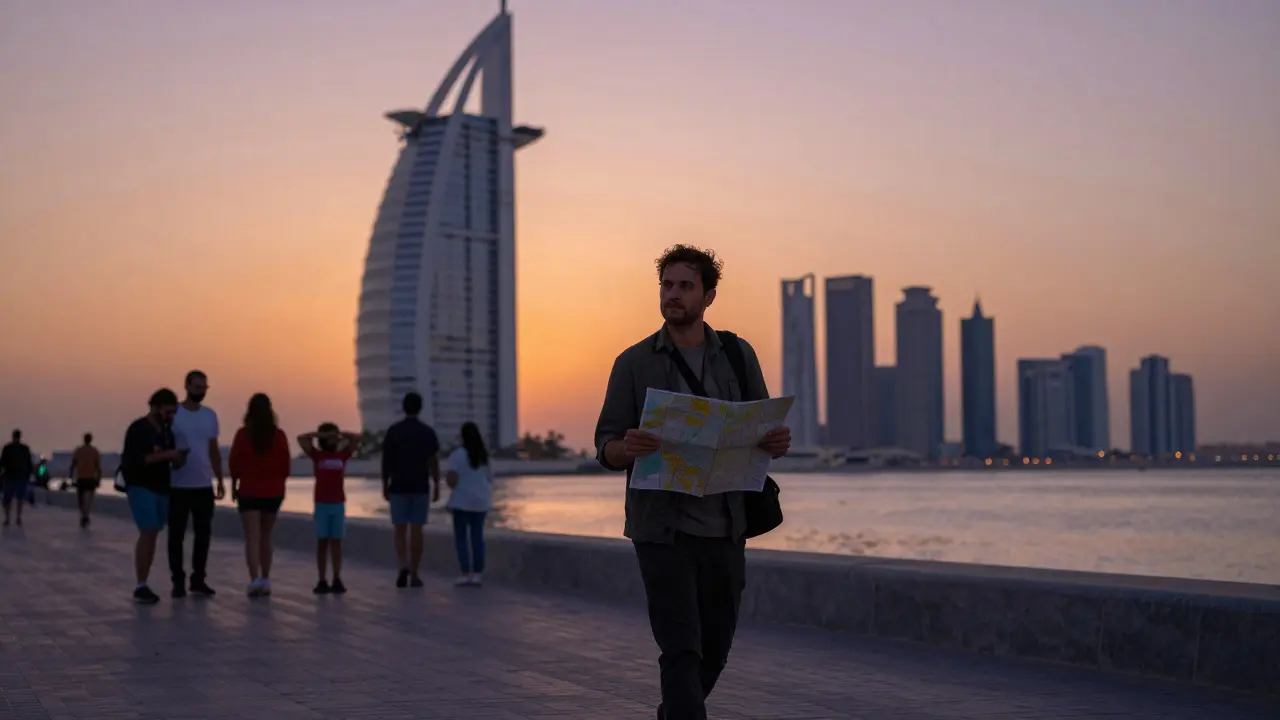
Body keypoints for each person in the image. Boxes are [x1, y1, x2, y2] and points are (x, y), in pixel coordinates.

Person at [593, 245, 791, 720]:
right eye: (667, 285)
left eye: (685, 286)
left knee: (716, 647)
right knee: (681, 647)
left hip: (725, 526)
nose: (673, 295)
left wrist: (775, 441)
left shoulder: (738, 357)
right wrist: (628, 447)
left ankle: (674, 714)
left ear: (709, 295)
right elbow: (605, 445)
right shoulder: (634, 363)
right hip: (662, 531)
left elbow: (759, 426)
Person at [120, 389, 188, 604]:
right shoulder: (139, 429)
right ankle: (141, 585)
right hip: (141, 486)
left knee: (154, 532)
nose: (171, 416)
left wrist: (178, 458)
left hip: (162, 488)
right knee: (148, 530)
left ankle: (144, 582)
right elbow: (137, 461)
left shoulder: (167, 431)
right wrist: (166, 455)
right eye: (169, 411)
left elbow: (171, 461)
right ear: (156, 407)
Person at [168, 370, 225, 599]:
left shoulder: (210, 415)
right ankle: (178, 581)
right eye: (197, 387)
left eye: (204, 387)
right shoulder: (175, 415)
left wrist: (220, 479)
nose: (201, 391)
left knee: (203, 535)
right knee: (177, 536)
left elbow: (213, 450)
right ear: (187, 387)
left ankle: (198, 579)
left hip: (203, 485)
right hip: (178, 486)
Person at [228, 393, 290, 598]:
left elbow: (234, 464)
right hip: (273, 492)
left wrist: (234, 485)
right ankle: (266, 578)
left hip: (249, 491)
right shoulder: (279, 435)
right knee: (266, 536)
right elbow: (285, 466)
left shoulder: (243, 435)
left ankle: (254, 579)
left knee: (252, 537)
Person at [380, 391, 441, 588]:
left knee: (399, 530)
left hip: (398, 486)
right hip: (420, 487)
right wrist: (437, 485)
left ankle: (402, 565)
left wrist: (384, 485)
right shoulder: (427, 432)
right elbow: (433, 461)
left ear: (403, 407)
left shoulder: (393, 431)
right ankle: (414, 573)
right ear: (420, 408)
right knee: (416, 531)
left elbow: (386, 462)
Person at [297, 423, 360, 594]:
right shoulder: (318, 456)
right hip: (322, 504)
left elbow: (356, 438)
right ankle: (322, 579)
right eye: (328, 437)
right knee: (322, 543)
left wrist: (338, 434)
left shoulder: (342, 455)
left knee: (336, 543)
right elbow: (301, 439)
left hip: (338, 504)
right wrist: (321, 435)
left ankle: (337, 578)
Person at [445, 421, 493, 587]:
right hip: (481, 501)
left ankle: (465, 573)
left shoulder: (457, 455)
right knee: (477, 537)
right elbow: (490, 478)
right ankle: (478, 573)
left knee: (461, 538)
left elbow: (452, 480)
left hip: (462, 501)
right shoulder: (484, 456)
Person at [1, 429, 35, 528]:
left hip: (10, 476)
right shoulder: (24, 449)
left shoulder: (7, 448)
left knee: (7, 499)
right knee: (20, 498)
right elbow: (29, 463)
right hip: (20, 477)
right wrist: (29, 475)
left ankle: (8, 518)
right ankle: (18, 517)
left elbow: (2, 462)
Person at [69, 432, 103, 528]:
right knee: (88, 498)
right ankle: (86, 514)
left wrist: (71, 477)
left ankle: (84, 515)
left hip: (81, 478)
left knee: (81, 499)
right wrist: (99, 478)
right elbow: (98, 467)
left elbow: (73, 465)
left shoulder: (79, 451)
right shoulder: (94, 451)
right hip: (91, 478)